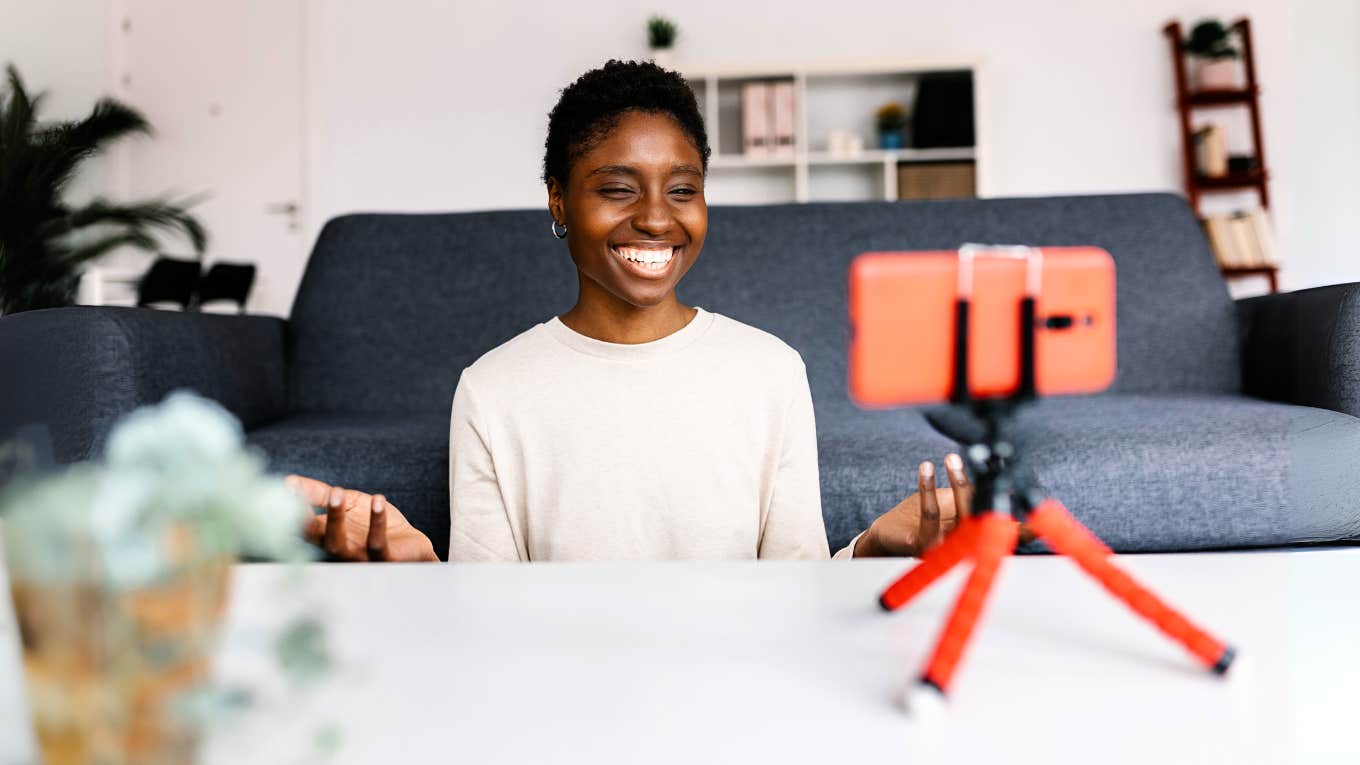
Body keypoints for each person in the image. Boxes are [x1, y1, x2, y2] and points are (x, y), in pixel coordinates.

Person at [287, 60, 974, 563]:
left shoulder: (770, 371)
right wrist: (417, 573)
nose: (654, 218)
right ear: (558, 200)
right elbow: (486, 617)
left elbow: (793, 592)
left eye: (682, 189)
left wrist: (872, 548)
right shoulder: (492, 389)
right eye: (617, 188)